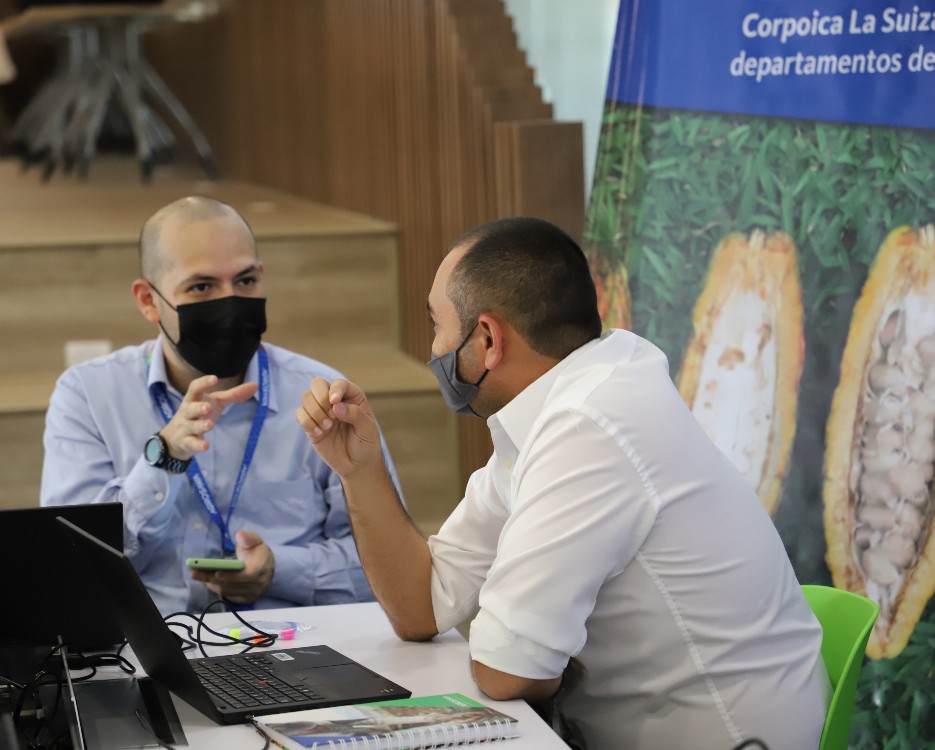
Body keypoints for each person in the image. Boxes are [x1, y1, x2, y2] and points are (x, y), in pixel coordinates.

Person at [297, 216, 829, 750]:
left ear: (487, 339)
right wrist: (359, 470)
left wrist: (521, 644)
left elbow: (507, 671)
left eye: (436, 325)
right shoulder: (558, 403)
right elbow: (423, 607)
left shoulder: (589, 422)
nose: (433, 348)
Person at [42, 195, 399, 615]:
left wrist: (280, 569)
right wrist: (164, 459)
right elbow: (71, 567)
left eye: (245, 281)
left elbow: (390, 562)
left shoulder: (321, 396)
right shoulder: (88, 395)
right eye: (201, 286)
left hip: (291, 644)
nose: (229, 303)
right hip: (147, 650)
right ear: (148, 300)